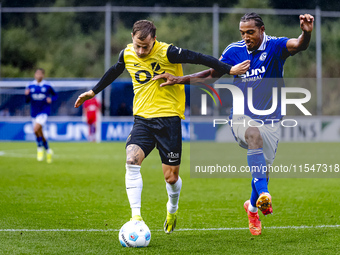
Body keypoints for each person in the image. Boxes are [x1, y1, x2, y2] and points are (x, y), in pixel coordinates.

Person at [74, 20, 249, 234]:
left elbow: (200, 58)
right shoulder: (127, 54)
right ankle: (136, 217)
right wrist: (93, 92)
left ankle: (172, 208)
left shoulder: (168, 52)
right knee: (131, 160)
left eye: (145, 47)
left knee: (171, 177)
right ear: (132, 38)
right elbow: (114, 70)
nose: (140, 51)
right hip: (142, 120)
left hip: (169, 120)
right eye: (137, 45)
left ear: (153, 40)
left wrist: (229, 69)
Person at [153, 13, 314, 235]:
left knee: (263, 171)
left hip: (272, 119)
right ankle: (265, 195)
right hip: (241, 116)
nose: (246, 37)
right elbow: (211, 75)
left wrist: (306, 33)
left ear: (262, 30)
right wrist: (178, 79)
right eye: (242, 33)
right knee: (253, 135)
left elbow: (299, 45)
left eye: (250, 32)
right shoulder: (233, 51)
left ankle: (253, 207)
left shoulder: (276, 47)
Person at [25, 68, 57, 163]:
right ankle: (48, 150)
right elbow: (27, 101)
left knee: (35, 129)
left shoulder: (47, 85)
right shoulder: (30, 85)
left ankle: (39, 148)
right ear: (35, 75)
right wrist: (26, 95)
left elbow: (55, 95)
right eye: (37, 73)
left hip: (44, 111)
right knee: (39, 132)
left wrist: (51, 100)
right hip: (34, 112)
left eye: (40, 74)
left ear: (43, 75)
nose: (38, 75)